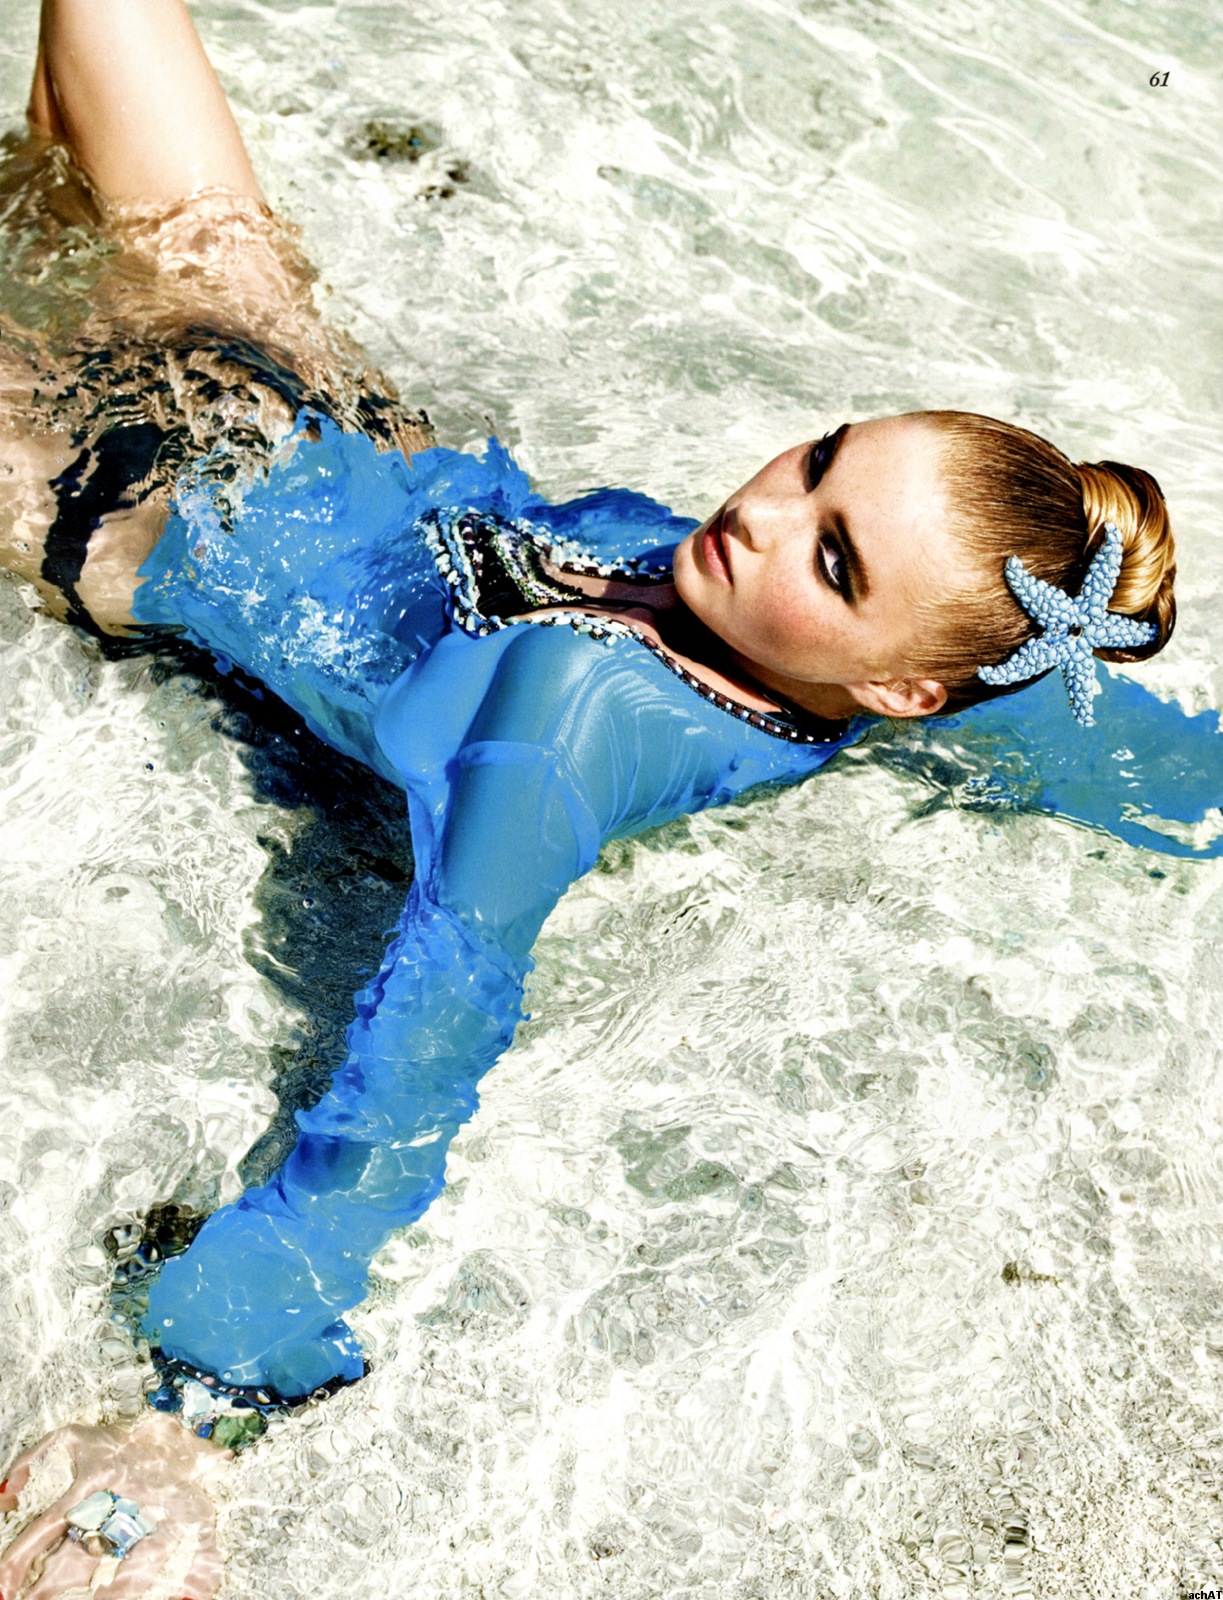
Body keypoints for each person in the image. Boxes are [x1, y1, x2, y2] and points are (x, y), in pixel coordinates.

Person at [0, 2, 1183, 1596]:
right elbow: (1096, 724)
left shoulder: (564, 730)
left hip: (117, 504)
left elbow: (432, 1029)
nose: (764, 513)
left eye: (834, 558)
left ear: (905, 687)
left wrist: (198, 1412)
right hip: (319, 415)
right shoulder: (911, 658)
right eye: (820, 461)